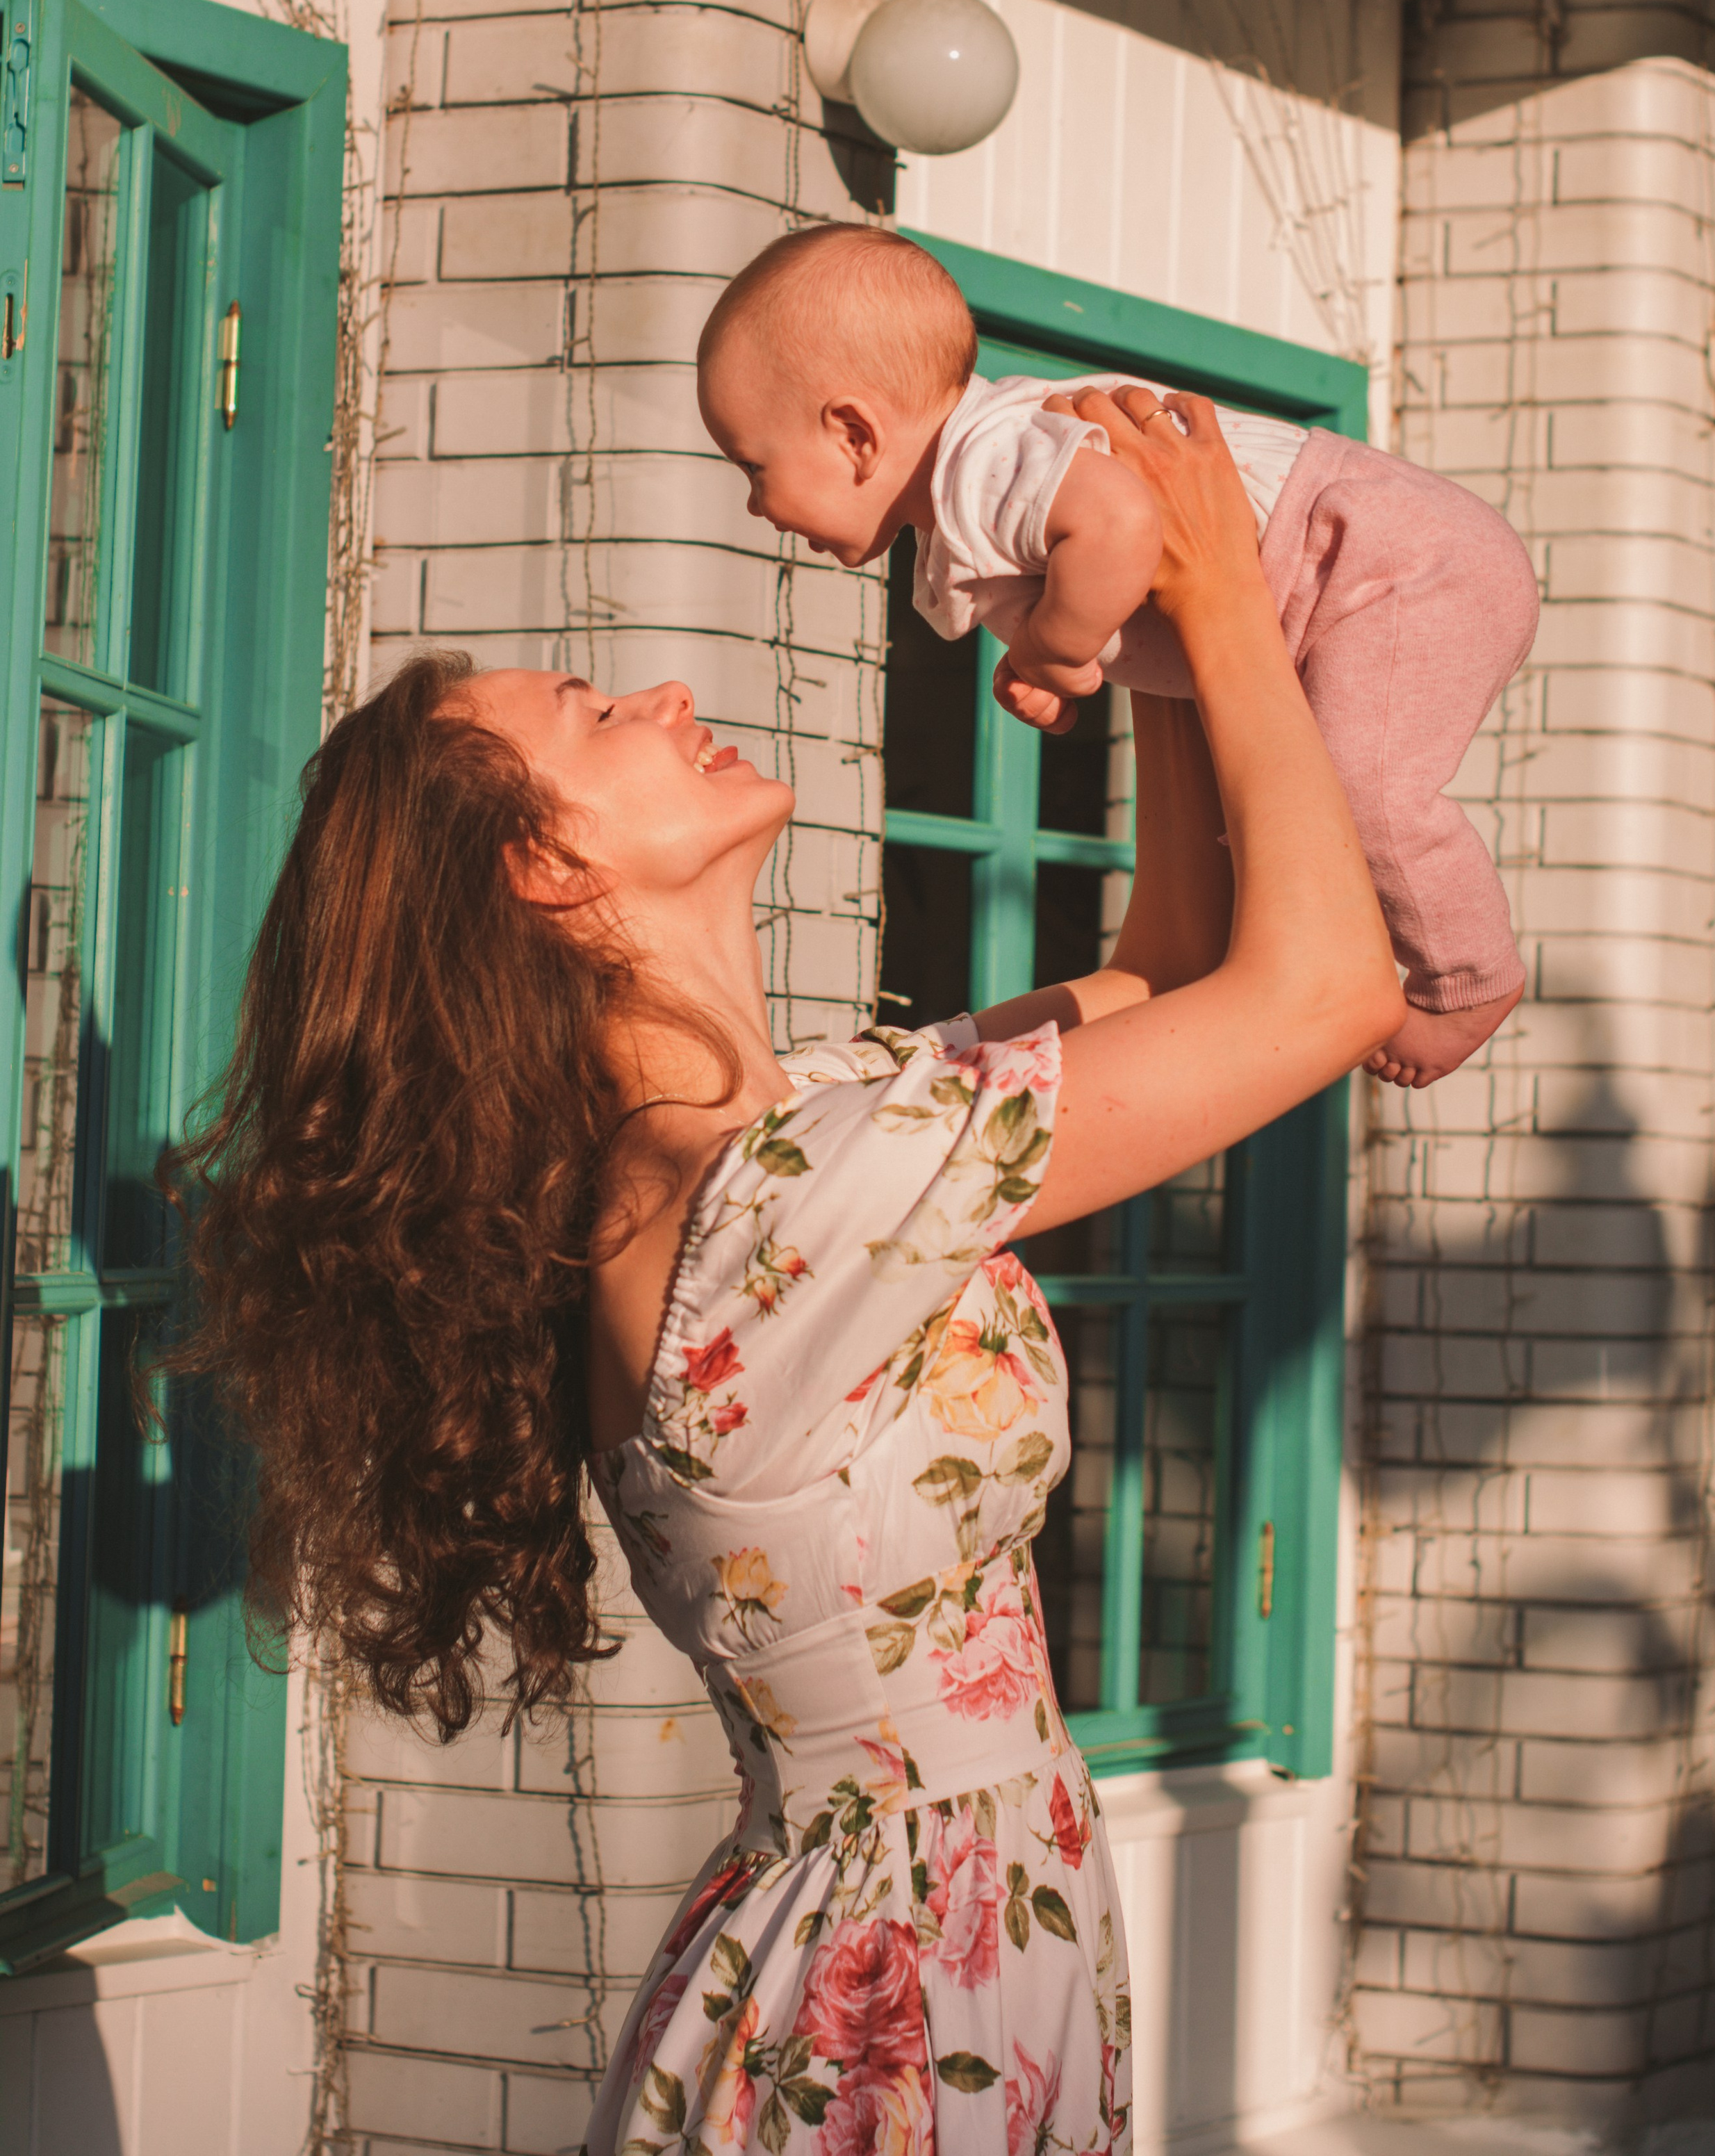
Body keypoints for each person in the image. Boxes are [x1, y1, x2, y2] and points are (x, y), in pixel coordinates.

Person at [167, 385, 1400, 2155]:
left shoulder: (804, 1127)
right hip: (900, 1987)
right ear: (543, 863)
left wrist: (1158, 657)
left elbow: (1178, 958)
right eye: (598, 715)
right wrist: (1206, 576)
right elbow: (1321, 992)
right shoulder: (781, 1197)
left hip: (918, 1942)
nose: (667, 694)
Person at [696, 222, 1541, 1091]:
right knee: (1304, 792)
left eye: (753, 467)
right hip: (1347, 574)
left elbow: (1120, 524)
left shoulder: (981, 459)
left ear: (854, 434)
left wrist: (1056, 646)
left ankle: (1466, 979)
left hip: (1388, 560)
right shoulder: (974, 485)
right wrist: (1050, 657)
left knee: (1363, 790)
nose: (757, 506)